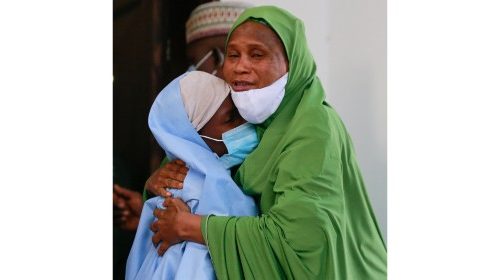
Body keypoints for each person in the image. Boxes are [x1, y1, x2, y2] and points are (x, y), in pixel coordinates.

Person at [149, 5, 387, 279]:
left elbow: (299, 242)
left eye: (257, 54)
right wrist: (156, 185)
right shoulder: (245, 113)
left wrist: (191, 227)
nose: (240, 66)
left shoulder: (312, 128)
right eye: (233, 55)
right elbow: (195, 165)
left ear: (291, 63)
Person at [114, 0, 253, 227]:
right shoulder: (193, 131)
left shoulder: (271, 128)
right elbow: (174, 214)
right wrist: (150, 206)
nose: (193, 71)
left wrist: (194, 228)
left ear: (218, 57)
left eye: (194, 61)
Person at [126, 71, 258, 280]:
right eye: (231, 118)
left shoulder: (218, 173)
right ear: (192, 137)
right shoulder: (196, 191)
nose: (245, 124)